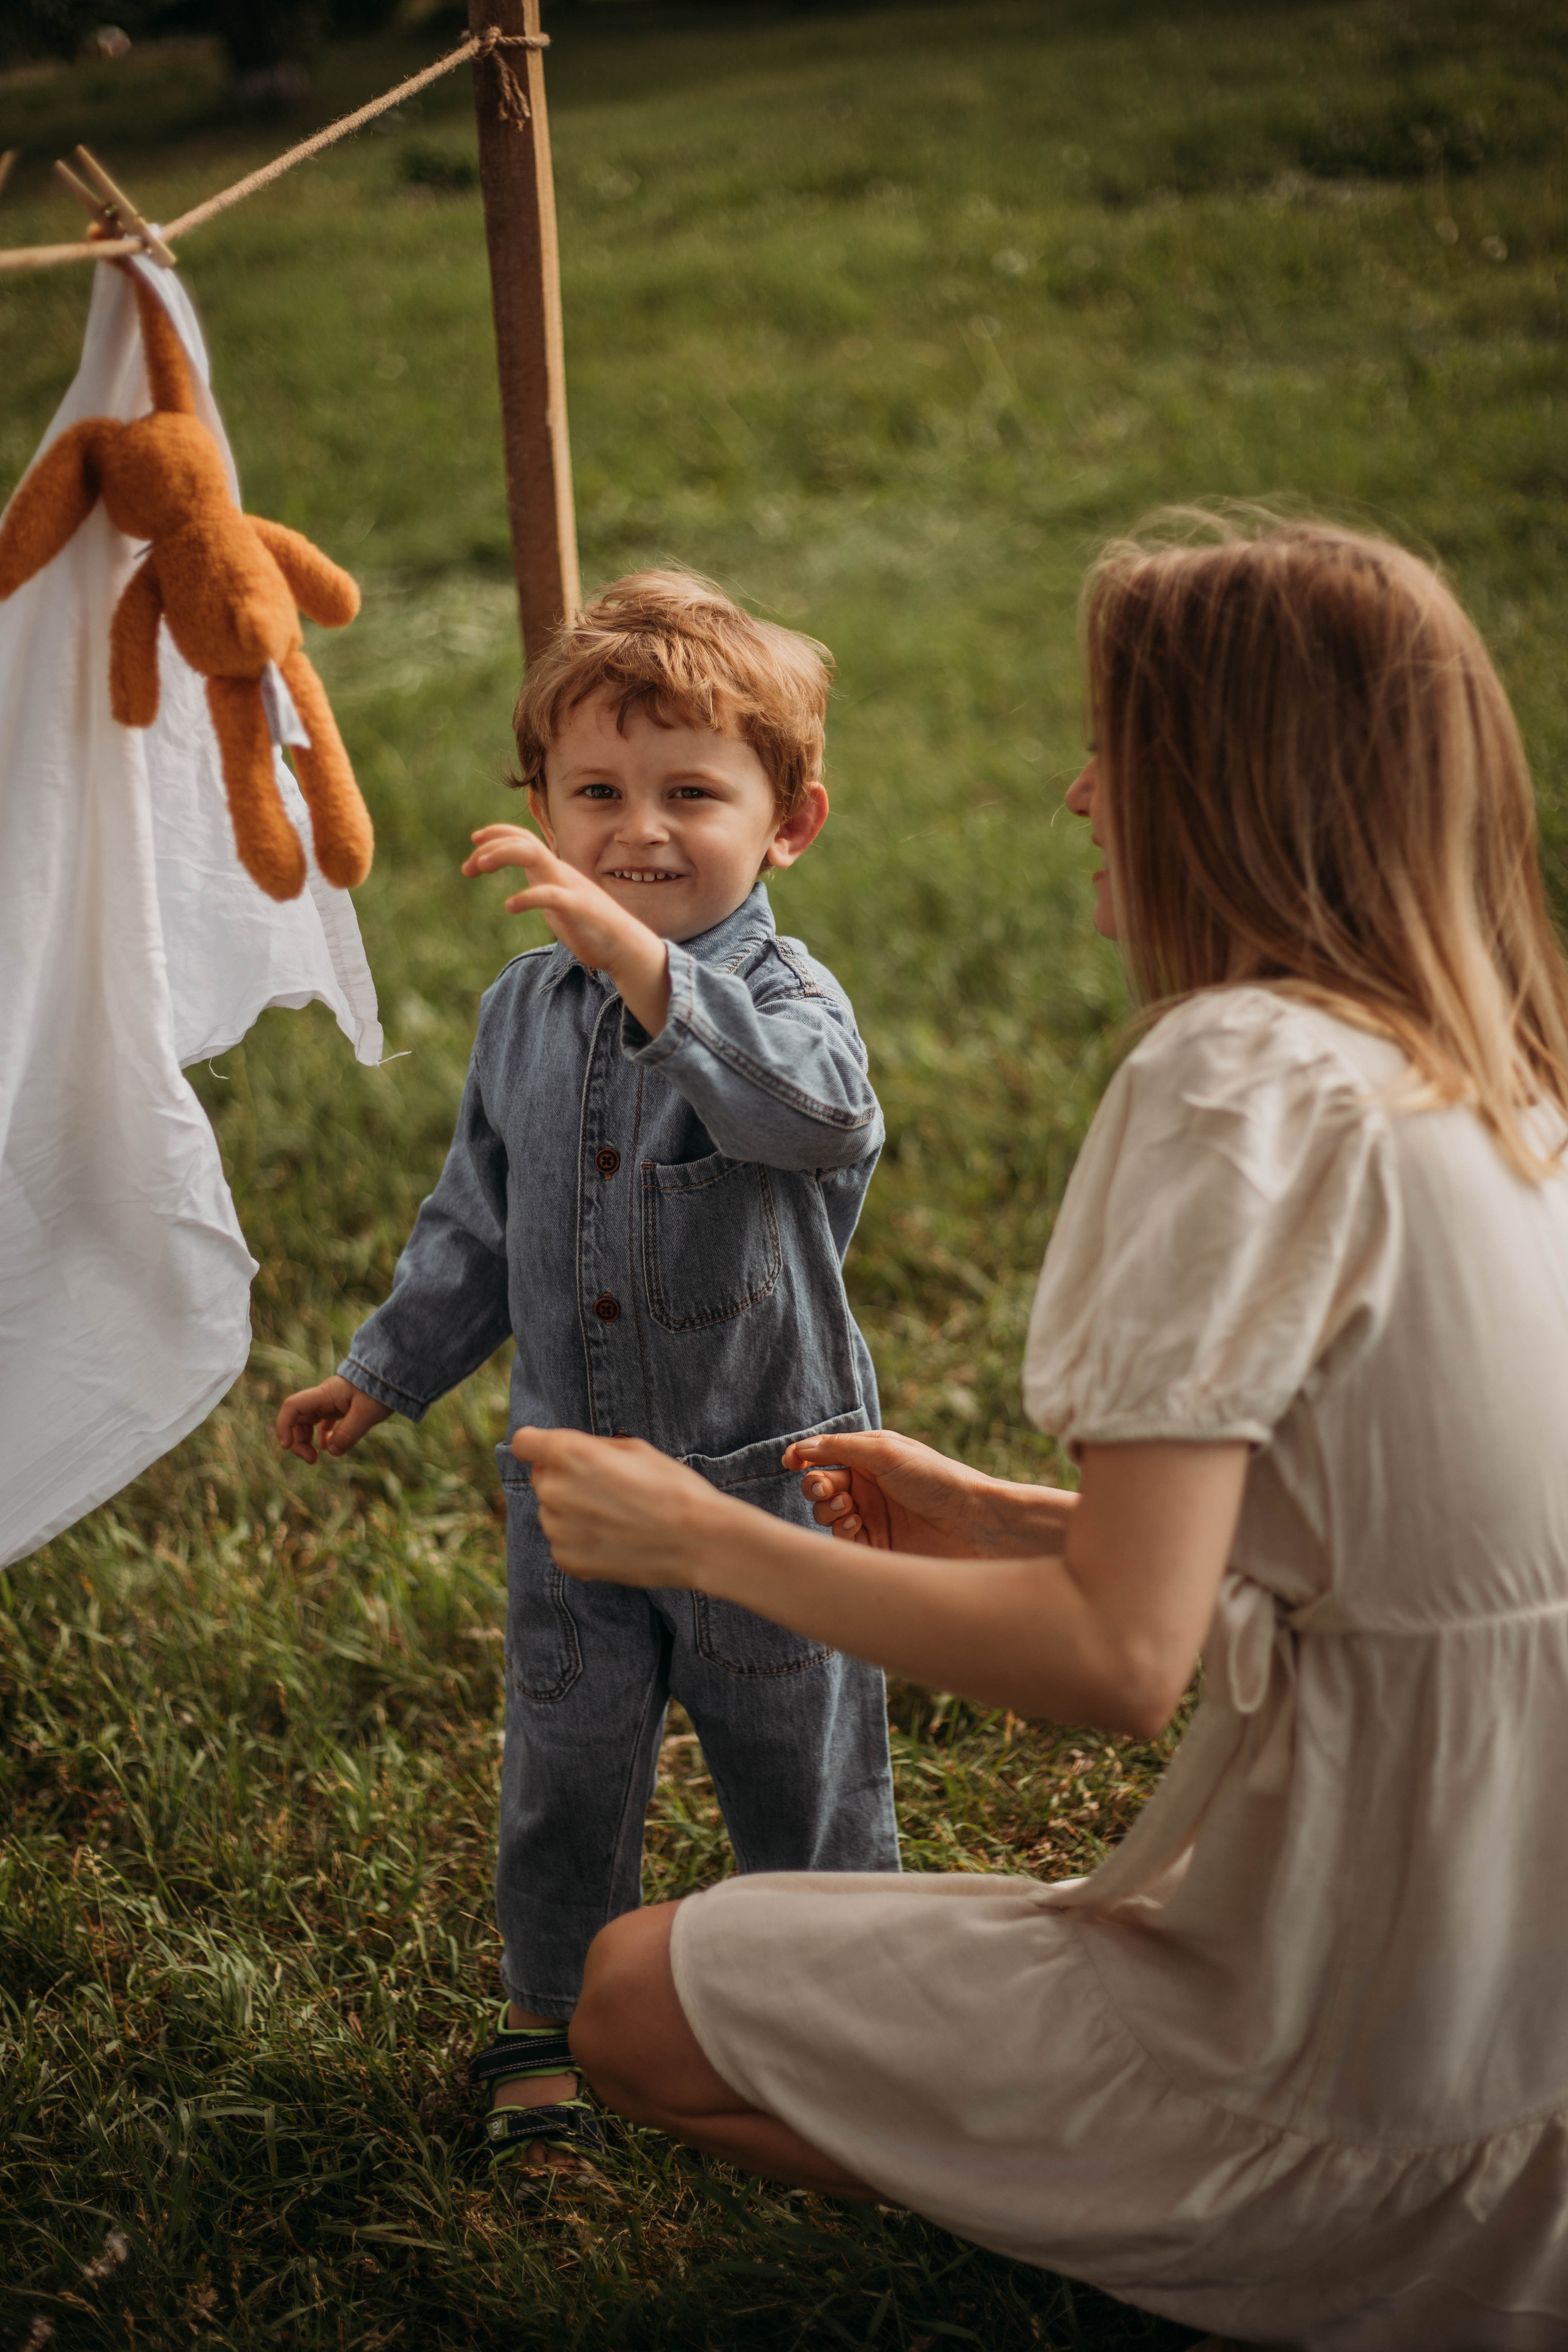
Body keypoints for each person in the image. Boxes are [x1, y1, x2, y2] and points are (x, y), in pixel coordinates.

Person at [511, 519, 1568, 2350]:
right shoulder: (1489, 1078)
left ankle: (1244, 2251)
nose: (1082, 794)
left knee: (628, 2002)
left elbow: (1116, 1661)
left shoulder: (1233, 1071)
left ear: (1229, 788)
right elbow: (1393, 1560)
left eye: (1118, 748)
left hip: (1348, 2056)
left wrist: (705, 1540)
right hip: (1517, 2006)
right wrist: (1003, 1515)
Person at [274, 571, 899, 2165]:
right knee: (566, 1760)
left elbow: (814, 1121)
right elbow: (478, 1219)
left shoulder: (784, 1005)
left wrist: (651, 971)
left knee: (796, 1764)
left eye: (693, 792)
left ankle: (843, 2015)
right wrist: (391, 1369)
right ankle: (549, 2011)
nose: (639, 830)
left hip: (770, 1487)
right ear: (540, 811)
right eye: (596, 794)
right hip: (576, 1489)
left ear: (789, 824)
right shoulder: (518, 1017)